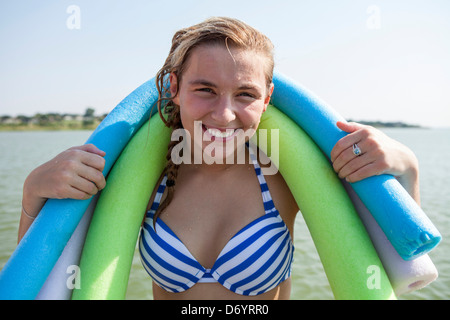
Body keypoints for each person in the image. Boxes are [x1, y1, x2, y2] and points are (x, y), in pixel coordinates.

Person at [18, 17, 420, 300]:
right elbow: (43, 277)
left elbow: (400, 259)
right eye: (205, 89)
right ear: (173, 88)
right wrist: (34, 190)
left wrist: (405, 162)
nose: (224, 114)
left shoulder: (288, 174)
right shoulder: (139, 177)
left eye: (244, 94)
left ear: (266, 99)